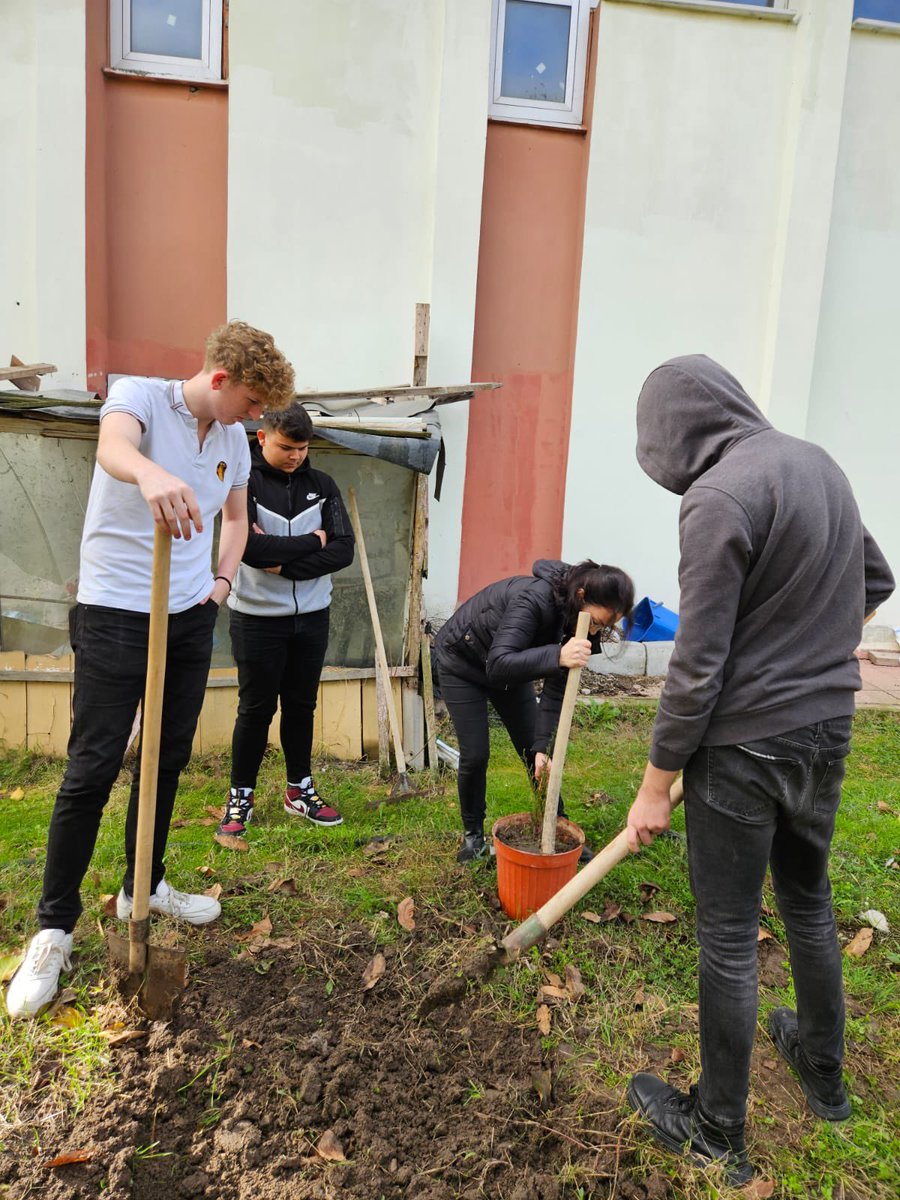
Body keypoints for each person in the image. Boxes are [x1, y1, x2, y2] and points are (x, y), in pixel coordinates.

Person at [624, 355, 895, 1185]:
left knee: (731, 939)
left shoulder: (719, 497)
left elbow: (698, 668)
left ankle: (716, 1130)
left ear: (675, 434)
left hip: (745, 748)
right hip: (827, 728)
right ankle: (823, 1074)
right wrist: (809, 642)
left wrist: (652, 784)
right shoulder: (817, 464)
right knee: (810, 903)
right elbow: (877, 579)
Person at [6, 320, 296, 1020]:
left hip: (189, 616)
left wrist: (222, 583)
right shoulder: (139, 396)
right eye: (252, 403)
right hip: (113, 611)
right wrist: (150, 471)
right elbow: (112, 448)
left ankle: (147, 883)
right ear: (219, 380)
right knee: (93, 766)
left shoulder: (230, 440)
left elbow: (236, 517)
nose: (257, 419)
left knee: (165, 758)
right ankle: (54, 926)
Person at [433, 559, 635, 862]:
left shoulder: (582, 620)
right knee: (476, 754)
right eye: (596, 621)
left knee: (536, 752)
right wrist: (558, 654)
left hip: (510, 669)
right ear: (581, 595)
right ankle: (473, 836)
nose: (595, 630)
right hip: (463, 663)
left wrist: (542, 745)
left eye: (603, 626)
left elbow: (556, 688)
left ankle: (557, 824)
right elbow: (499, 664)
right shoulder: (534, 598)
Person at [217, 403, 354, 838]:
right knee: (255, 709)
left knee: (302, 705)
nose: (296, 455)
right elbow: (250, 551)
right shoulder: (246, 482)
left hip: (312, 617)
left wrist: (285, 563)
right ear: (262, 438)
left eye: (303, 447)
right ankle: (240, 796)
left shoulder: (323, 485)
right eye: (286, 447)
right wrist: (313, 541)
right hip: (256, 618)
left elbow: (344, 549)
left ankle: (300, 790)